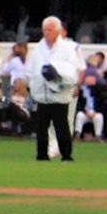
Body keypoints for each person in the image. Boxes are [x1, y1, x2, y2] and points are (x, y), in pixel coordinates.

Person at [26, 15, 83, 162]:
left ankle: (66, 155)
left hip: (60, 94)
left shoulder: (67, 49)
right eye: (45, 30)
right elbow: (32, 69)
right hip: (42, 95)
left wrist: (57, 76)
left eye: (50, 30)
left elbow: (72, 71)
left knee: (62, 126)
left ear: (57, 31)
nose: (46, 33)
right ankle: (42, 154)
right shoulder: (38, 48)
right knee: (41, 127)